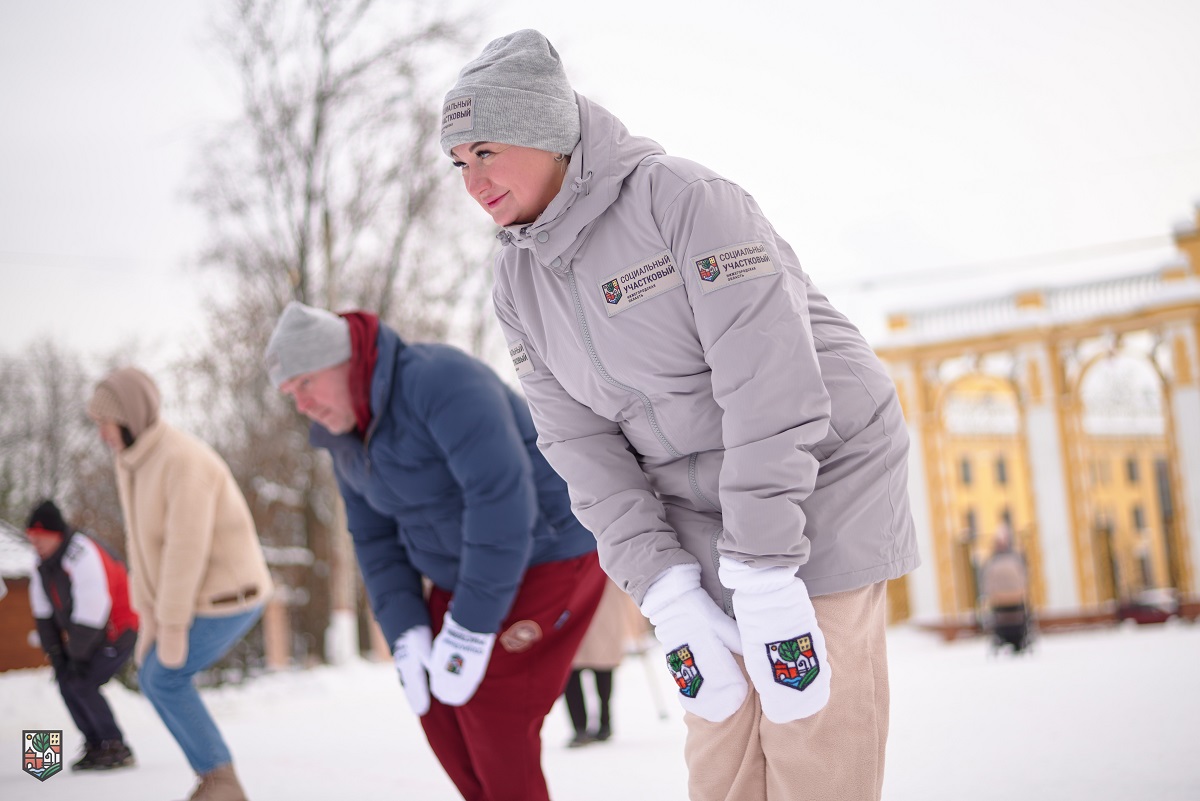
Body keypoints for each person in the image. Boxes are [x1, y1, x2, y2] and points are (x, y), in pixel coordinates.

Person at [440, 30, 922, 801]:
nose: (472, 180)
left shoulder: (684, 201)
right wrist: (664, 587)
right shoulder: (516, 282)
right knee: (722, 726)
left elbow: (772, 384)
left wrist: (764, 569)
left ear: (545, 131)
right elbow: (579, 446)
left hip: (820, 469)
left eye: (486, 151)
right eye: (458, 161)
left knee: (808, 716)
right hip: (687, 495)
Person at [264, 301, 606, 801]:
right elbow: (375, 542)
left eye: (305, 383)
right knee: (434, 701)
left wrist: (470, 630)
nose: (301, 404)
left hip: (550, 551)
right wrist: (405, 633)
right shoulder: (344, 439)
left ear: (343, 361)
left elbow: (501, 501)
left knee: (492, 701)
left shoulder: (440, 381)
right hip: (464, 572)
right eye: (290, 393)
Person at [87, 366, 273, 801]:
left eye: (105, 423)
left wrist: (170, 625)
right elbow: (141, 544)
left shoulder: (183, 461)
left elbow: (183, 552)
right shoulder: (133, 462)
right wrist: (147, 613)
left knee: (164, 679)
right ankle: (215, 778)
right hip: (189, 598)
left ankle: (222, 783)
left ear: (130, 418)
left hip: (230, 596)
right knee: (156, 679)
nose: (102, 434)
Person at [25, 499, 138, 771]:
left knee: (83, 681)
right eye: (32, 537)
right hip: (90, 634)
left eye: (42, 537)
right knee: (67, 681)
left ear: (57, 535)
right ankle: (95, 743)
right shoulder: (42, 564)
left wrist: (76, 655)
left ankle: (114, 745)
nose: (36, 543)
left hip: (118, 630)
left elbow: (93, 608)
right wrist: (57, 655)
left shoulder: (80, 552)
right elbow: (43, 614)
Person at [561, 578, 641, 748]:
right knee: (576, 672)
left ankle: (594, 726)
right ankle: (590, 726)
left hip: (596, 618)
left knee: (594, 671)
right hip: (580, 619)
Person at [980, 523, 1031, 653]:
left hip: (1010, 598)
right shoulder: (1011, 559)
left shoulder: (998, 560)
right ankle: (1015, 638)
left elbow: (986, 581)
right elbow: (1024, 576)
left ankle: (1015, 638)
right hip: (1007, 599)